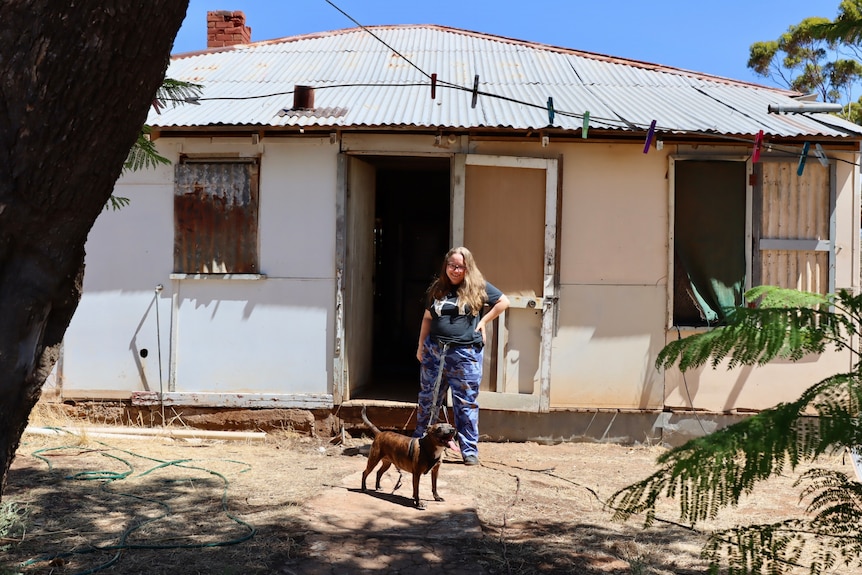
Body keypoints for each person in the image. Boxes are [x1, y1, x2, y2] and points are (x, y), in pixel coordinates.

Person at [413, 246, 510, 466]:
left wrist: (484, 322)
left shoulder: (478, 287)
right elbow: (428, 318)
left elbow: (504, 302)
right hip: (435, 351)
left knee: (465, 403)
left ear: (468, 268)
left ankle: (469, 450)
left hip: (464, 354)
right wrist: (421, 345)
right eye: (452, 265)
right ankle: (421, 444)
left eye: (460, 266)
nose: (455, 270)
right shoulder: (437, 288)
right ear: (446, 266)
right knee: (428, 399)